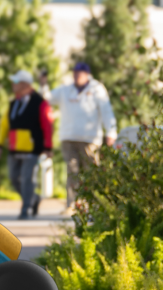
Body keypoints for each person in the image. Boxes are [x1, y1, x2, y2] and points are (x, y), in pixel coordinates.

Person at [46, 61, 116, 203]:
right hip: (69, 136)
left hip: (90, 138)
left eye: (80, 73)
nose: (76, 75)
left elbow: (106, 111)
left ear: (87, 74)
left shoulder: (96, 88)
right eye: (75, 73)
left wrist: (111, 131)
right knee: (72, 171)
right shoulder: (65, 89)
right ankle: (72, 204)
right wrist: (43, 85)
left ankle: (96, 204)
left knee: (92, 172)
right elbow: (47, 99)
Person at [0, 69, 53, 220]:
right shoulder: (13, 103)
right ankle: (34, 198)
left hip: (32, 149)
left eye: (15, 82)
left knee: (28, 179)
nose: (12, 85)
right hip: (14, 148)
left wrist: (48, 147)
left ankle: (25, 208)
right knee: (14, 177)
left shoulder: (40, 102)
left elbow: (47, 124)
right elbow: (4, 125)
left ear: (24, 84)